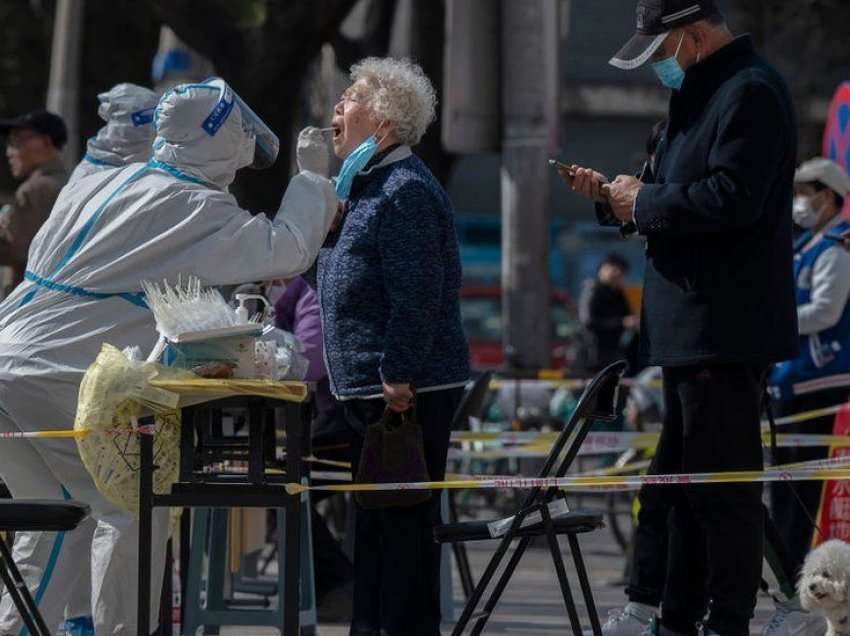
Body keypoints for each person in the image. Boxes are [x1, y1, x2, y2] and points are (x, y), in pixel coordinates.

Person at [0, 78, 337, 635]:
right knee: (129, 509)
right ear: (222, 138)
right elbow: (289, 248)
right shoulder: (192, 205)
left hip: (9, 360)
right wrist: (313, 178)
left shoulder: (108, 181)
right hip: (53, 372)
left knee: (59, 513)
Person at [562, 1, 798, 635]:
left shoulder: (748, 92)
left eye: (663, 52)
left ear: (692, 36)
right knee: (684, 487)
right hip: (688, 327)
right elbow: (664, 192)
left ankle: (728, 618)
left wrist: (646, 200)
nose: (661, 67)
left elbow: (731, 197)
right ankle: (679, 613)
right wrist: (620, 201)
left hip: (722, 324)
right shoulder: (703, 94)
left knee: (720, 489)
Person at [314, 57, 469, 636]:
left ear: (382, 122)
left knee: (402, 533)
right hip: (367, 385)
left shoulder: (403, 189)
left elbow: (419, 291)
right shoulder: (362, 186)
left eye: (350, 98)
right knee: (375, 528)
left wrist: (398, 372)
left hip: (403, 390)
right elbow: (342, 282)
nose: (336, 108)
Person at [770, 158, 850, 576]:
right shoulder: (805, 246)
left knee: (803, 487)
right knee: (785, 483)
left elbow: (826, 311)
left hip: (819, 380)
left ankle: (798, 573)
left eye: (806, 191)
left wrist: (772, 320)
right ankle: (787, 571)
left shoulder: (837, 248)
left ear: (829, 197)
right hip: (790, 379)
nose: (799, 201)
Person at [0, 110, 68, 292]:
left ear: (46, 142)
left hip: (29, 299)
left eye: (16, 142)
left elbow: (19, 252)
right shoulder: (72, 182)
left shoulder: (35, 189)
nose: (9, 152)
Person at [68, 83, 159, 184]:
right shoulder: (87, 175)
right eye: (144, 119)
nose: (152, 130)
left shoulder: (153, 163)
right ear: (118, 122)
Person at [579, 253, 638, 372]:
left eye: (621, 271)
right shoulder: (592, 289)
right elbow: (588, 321)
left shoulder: (618, 293)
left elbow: (628, 316)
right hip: (592, 353)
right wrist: (621, 323)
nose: (616, 273)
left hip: (613, 352)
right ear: (602, 269)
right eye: (613, 268)